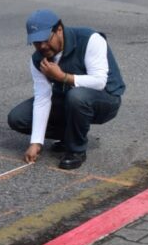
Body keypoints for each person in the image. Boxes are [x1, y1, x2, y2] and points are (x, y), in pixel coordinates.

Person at [7, 9, 125, 170]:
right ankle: (68, 135)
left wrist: (62, 77)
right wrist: (36, 142)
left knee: (77, 96)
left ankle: (76, 150)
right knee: (18, 118)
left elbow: (99, 82)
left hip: (105, 98)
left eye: (45, 39)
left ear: (59, 30)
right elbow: (42, 98)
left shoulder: (90, 39)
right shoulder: (37, 59)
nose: (42, 46)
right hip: (68, 98)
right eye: (36, 42)